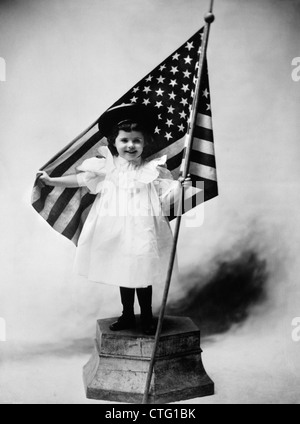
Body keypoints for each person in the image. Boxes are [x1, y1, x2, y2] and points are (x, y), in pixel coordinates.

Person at [39, 104, 182, 335]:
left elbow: (166, 197)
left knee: (142, 270)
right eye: (124, 140)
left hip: (143, 227)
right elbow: (80, 180)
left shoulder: (152, 169)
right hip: (115, 227)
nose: (131, 145)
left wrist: (180, 187)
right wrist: (52, 181)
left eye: (136, 140)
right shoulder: (107, 167)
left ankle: (146, 316)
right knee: (123, 269)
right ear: (113, 143)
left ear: (145, 143)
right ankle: (127, 314)